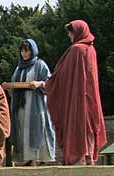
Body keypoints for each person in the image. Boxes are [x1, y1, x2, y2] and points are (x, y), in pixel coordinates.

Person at [46, 20, 106, 165]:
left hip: (77, 98)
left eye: (71, 32)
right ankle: (88, 157)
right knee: (89, 125)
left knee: (77, 124)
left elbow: (62, 74)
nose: (69, 36)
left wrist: (48, 83)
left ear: (78, 32)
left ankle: (78, 157)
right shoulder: (91, 50)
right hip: (90, 98)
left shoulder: (76, 50)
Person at [2, 39, 56, 166]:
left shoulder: (40, 64)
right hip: (21, 103)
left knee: (37, 127)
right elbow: (15, 83)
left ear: (33, 51)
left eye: (27, 50)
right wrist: (9, 86)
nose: (24, 53)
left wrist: (39, 83)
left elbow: (49, 82)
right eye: (22, 50)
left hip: (36, 102)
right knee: (23, 128)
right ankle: (27, 157)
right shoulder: (19, 67)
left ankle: (40, 157)